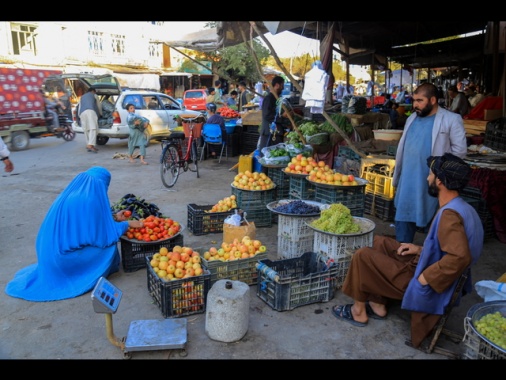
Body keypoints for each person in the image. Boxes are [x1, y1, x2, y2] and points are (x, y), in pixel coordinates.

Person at [332, 153, 484, 349]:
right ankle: (377, 304)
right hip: (427, 264)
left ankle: (358, 310)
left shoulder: (450, 215)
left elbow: (459, 256)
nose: (427, 178)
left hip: (423, 279)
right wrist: (421, 248)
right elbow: (452, 247)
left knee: (363, 256)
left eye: (430, 175)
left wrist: (425, 278)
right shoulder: (462, 207)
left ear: (439, 181)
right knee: (381, 242)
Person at [5, 166, 145, 302]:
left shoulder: (74, 193)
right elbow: (102, 236)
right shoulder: (90, 200)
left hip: (47, 254)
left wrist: (114, 217)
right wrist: (126, 224)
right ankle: (84, 274)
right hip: (60, 261)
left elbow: (86, 223)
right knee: (109, 246)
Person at [393, 83, 467, 243]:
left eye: (420, 100)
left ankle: (429, 259)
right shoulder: (411, 118)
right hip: (407, 181)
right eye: (414, 100)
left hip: (433, 182)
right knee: (403, 219)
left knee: (434, 226)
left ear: (433, 100)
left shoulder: (451, 119)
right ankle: (402, 255)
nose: (415, 105)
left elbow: (460, 151)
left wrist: (440, 169)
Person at [259, 75, 287, 156]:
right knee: (267, 157)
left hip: (276, 132)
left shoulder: (277, 98)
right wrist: (282, 117)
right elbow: (267, 115)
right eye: (282, 85)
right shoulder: (269, 98)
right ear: (277, 85)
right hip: (269, 133)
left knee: (276, 156)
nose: (283, 88)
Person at [78, 86, 102, 153]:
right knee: (93, 129)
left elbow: (80, 107)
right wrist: (100, 114)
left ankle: (89, 144)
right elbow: (98, 105)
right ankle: (90, 145)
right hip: (90, 112)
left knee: (86, 129)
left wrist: (79, 116)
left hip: (82, 113)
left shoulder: (82, 97)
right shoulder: (94, 95)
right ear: (93, 91)